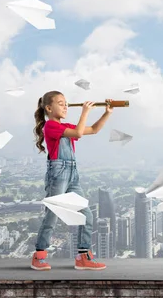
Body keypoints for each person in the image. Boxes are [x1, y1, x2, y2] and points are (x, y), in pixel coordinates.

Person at [31, 91, 113, 271]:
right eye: (61, 103)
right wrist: (85, 111)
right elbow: (79, 132)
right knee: (52, 214)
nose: (66, 106)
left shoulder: (64, 126)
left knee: (86, 214)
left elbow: (93, 129)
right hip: (58, 173)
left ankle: (83, 257)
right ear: (49, 108)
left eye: (66, 103)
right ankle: (39, 255)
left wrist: (107, 112)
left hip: (72, 174)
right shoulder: (50, 126)